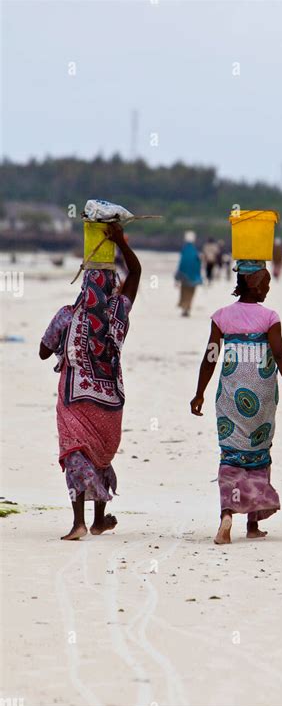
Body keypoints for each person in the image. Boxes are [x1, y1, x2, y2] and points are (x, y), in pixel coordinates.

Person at [190, 259, 282, 545]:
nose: (267, 287)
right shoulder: (270, 318)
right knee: (258, 453)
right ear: (252, 282)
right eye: (264, 282)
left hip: (230, 397)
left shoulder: (221, 317)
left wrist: (200, 392)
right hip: (263, 399)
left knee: (231, 455)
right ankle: (252, 524)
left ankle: (227, 515)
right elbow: (280, 355)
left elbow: (211, 357)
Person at [39, 223, 141, 540]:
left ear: (84, 285)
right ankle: (97, 521)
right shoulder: (118, 311)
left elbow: (43, 352)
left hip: (74, 399)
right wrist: (121, 242)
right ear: (112, 284)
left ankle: (78, 522)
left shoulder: (67, 315)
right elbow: (136, 273)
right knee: (98, 457)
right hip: (109, 402)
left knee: (75, 456)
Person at [175, 230, 202, 316]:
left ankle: (184, 308)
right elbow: (198, 265)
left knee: (184, 292)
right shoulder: (195, 251)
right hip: (194, 277)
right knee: (191, 293)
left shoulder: (185, 250)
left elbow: (181, 264)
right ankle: (187, 308)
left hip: (184, 277)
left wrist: (178, 276)